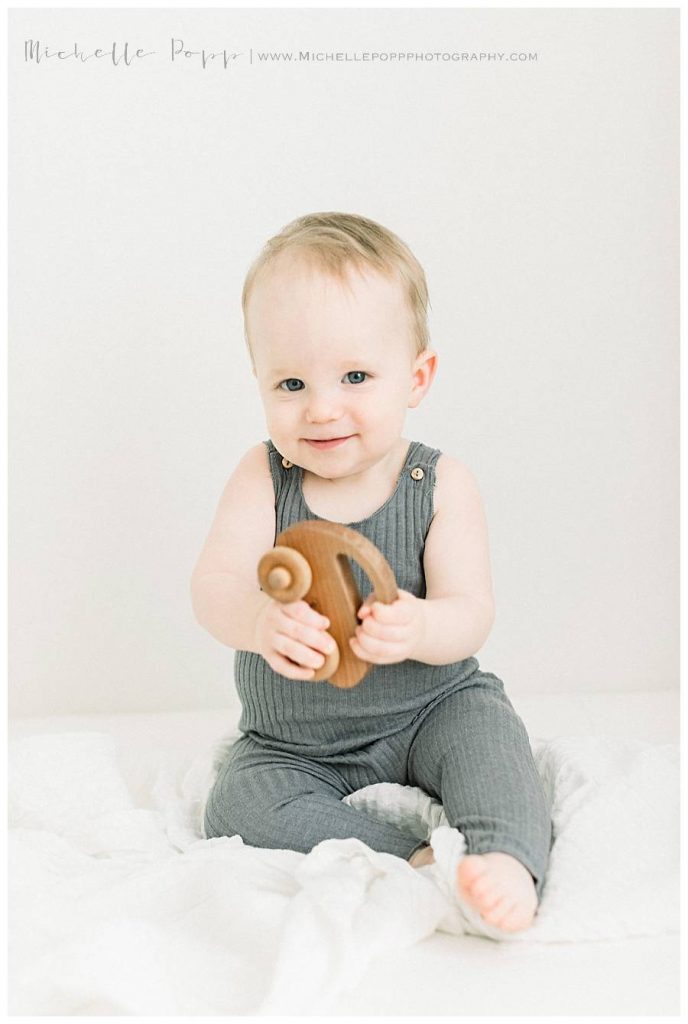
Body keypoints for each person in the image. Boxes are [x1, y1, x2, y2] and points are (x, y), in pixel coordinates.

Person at [191, 211, 552, 933]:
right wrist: (259, 620)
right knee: (236, 802)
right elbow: (214, 587)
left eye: (355, 375)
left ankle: (505, 855)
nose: (322, 408)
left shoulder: (439, 482)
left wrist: (420, 624)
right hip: (292, 741)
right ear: (259, 382)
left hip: (429, 710)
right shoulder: (263, 477)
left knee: (495, 740)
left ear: (416, 377)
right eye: (291, 382)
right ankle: (412, 860)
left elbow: (471, 610)